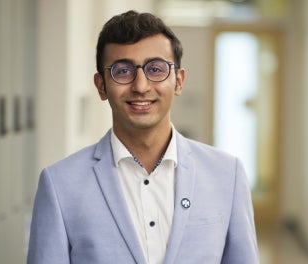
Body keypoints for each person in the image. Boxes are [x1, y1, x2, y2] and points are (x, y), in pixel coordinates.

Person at [27, 10, 259, 264]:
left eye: (156, 69)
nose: (140, 86)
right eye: (122, 71)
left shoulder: (227, 174)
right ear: (101, 86)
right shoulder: (60, 184)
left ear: (178, 82)